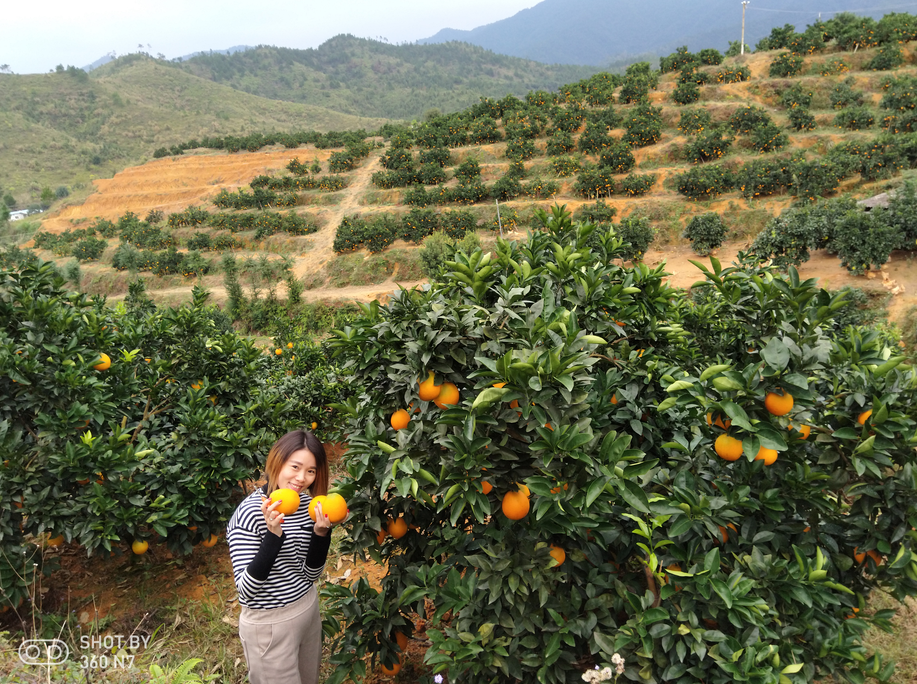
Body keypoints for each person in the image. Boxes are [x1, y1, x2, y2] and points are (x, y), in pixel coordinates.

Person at [227, 429, 334, 684]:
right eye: (295, 467)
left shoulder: (304, 506)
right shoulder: (249, 515)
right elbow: (246, 591)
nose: (302, 478)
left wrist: (320, 534)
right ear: (277, 462)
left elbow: (310, 574)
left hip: (307, 611)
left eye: (310, 470)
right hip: (270, 625)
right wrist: (273, 536)